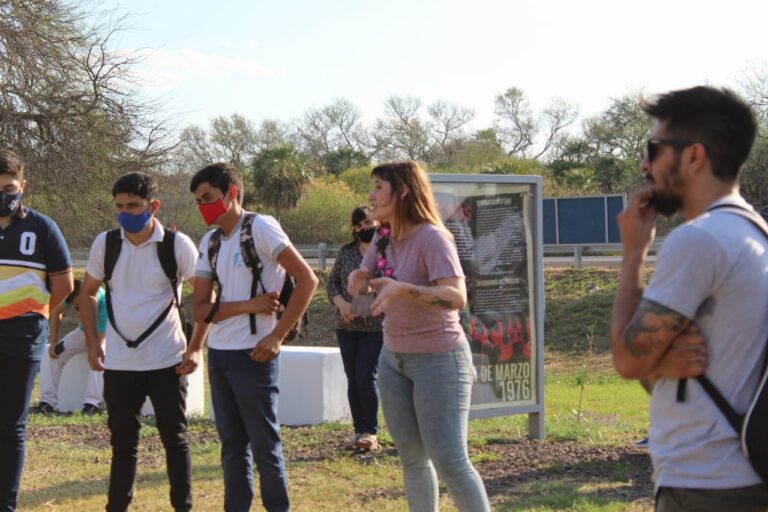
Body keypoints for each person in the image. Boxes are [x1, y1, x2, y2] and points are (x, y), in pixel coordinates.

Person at [610, 86, 768, 511]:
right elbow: (654, 375)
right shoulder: (754, 233)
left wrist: (632, 257)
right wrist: (660, 363)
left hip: (706, 485)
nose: (645, 164)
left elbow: (628, 361)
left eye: (654, 148)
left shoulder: (700, 241)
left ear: (693, 157)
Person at [348, 161, 491, 512]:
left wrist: (405, 290)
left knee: (450, 461)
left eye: (379, 187)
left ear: (404, 191)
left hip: (440, 360)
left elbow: (457, 298)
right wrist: (359, 278)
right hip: (393, 359)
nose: (371, 195)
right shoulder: (382, 236)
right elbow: (367, 273)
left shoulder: (432, 237)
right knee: (412, 460)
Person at [188, 162, 318, 512]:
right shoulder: (210, 240)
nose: (203, 206)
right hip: (220, 353)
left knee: (264, 446)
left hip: (255, 353)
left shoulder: (260, 226)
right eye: (199, 201)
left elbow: (307, 280)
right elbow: (200, 310)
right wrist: (250, 304)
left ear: (232, 193)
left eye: (209, 198)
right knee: (231, 446)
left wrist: (277, 335)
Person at [80, 172, 199, 512]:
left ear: (153, 206)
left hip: (167, 359)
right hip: (119, 363)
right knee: (123, 444)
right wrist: (92, 343)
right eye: (119, 206)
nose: (125, 212)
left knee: (174, 440)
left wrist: (195, 347)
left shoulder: (177, 245)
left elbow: (205, 295)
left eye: (133, 205)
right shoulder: (107, 243)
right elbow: (87, 293)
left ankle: (183, 507)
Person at [0, 149, 74, 511]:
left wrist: (37, 315)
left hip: (22, 339)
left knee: (10, 425)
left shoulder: (43, 227)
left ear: (23, 186)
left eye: (9, 187)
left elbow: (64, 287)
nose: (3, 195)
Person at [327, 205, 384, 451]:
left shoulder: (386, 252)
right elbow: (332, 284)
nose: (364, 229)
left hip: (374, 326)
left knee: (365, 377)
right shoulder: (346, 252)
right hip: (346, 324)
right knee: (352, 379)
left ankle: (370, 432)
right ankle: (358, 430)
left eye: (368, 223)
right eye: (359, 226)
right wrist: (341, 305)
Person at [31, 279, 107, 415]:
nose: (78, 309)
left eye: (80, 305)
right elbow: (55, 312)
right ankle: (47, 403)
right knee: (53, 355)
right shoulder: (77, 293)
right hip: (83, 332)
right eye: (76, 307)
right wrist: (53, 342)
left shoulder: (104, 305)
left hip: (106, 335)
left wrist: (92, 350)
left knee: (97, 357)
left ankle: (92, 404)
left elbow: (98, 343)